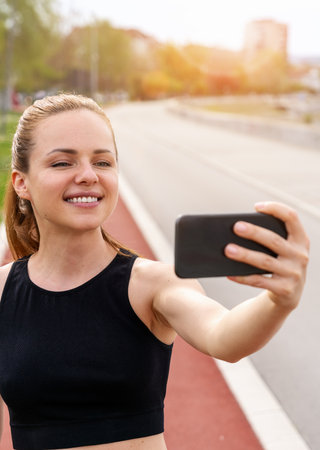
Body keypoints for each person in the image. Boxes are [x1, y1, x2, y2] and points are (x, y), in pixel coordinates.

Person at [0, 93, 309, 450]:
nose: (87, 175)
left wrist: (278, 300)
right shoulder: (4, 292)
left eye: (102, 162)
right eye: (62, 163)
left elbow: (224, 336)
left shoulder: (153, 284)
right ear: (22, 183)